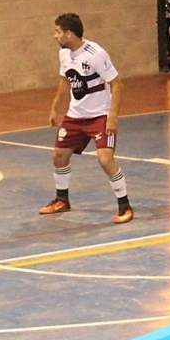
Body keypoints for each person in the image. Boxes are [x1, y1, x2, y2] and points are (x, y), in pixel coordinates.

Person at [39, 13, 133, 224]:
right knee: (59, 156)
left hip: (99, 115)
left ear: (69, 34)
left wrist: (113, 117)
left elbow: (117, 84)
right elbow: (65, 81)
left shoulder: (96, 54)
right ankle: (62, 200)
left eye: (58, 31)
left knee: (105, 159)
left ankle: (124, 205)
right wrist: (55, 109)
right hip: (75, 116)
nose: (55, 35)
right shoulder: (64, 54)